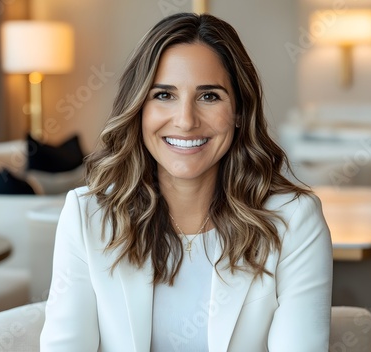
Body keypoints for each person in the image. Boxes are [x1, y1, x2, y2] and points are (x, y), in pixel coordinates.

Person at [40, 12, 332, 352]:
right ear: (139, 109)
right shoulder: (86, 216)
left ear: (239, 111)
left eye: (209, 96)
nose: (185, 120)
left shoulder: (294, 220)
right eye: (164, 95)